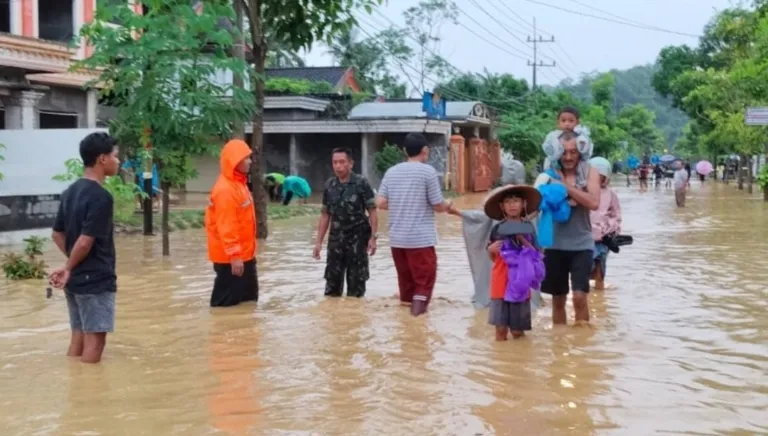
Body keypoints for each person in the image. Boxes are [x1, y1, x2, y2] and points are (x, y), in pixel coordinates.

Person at [49, 132, 120, 364]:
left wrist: (72, 264)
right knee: (96, 342)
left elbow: (57, 234)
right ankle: (89, 385)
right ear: (102, 159)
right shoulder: (101, 197)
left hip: (77, 279)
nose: (118, 161)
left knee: (78, 337)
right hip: (95, 279)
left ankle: (76, 380)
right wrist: (70, 266)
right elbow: (85, 241)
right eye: (115, 156)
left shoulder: (70, 192)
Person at [376, 132, 455, 317]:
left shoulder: (391, 172)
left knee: (406, 287)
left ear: (405, 151)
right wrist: (448, 205)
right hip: (420, 241)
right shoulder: (427, 172)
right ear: (425, 150)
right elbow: (437, 205)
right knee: (423, 285)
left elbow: (380, 202)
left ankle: (405, 325)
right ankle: (416, 323)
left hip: (397, 241)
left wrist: (401, 204)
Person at [539, 132, 601, 325]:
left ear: (581, 151)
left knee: (579, 297)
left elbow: (593, 203)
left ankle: (582, 341)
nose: (568, 157)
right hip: (554, 245)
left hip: (582, 244)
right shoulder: (547, 174)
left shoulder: (590, 172)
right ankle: (559, 339)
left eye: (573, 152)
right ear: (556, 152)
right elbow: (535, 202)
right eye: (564, 152)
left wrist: (565, 187)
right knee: (558, 300)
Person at [313, 148, 378, 298]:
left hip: (357, 240)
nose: (338, 166)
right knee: (331, 290)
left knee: (356, 290)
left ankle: (353, 313)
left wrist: (373, 238)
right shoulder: (329, 185)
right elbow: (325, 215)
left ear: (351, 163)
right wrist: (318, 242)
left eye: (342, 162)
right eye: (335, 162)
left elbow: (372, 211)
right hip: (336, 241)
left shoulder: (361, 183)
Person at [484, 185, 544, 340]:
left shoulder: (529, 228)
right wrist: (490, 249)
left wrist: (522, 238)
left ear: (523, 204)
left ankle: (521, 353)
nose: (512, 205)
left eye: (516, 201)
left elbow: (537, 255)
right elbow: (493, 258)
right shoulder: (497, 229)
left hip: (520, 282)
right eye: (508, 202)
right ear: (502, 206)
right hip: (500, 280)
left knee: (517, 331)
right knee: (500, 330)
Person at [205, 139, 259, 307]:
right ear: (235, 161)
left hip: (245, 256)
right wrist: (235, 256)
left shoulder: (239, 184)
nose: (250, 162)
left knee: (248, 303)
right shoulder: (226, 190)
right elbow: (227, 226)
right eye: (246, 158)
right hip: (230, 259)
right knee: (225, 306)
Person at [588, 157, 622, 291]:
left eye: (600, 176)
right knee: (583, 270)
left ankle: (599, 293)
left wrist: (610, 228)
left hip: (603, 239)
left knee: (600, 270)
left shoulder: (611, 194)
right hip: (585, 238)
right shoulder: (582, 192)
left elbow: (616, 215)